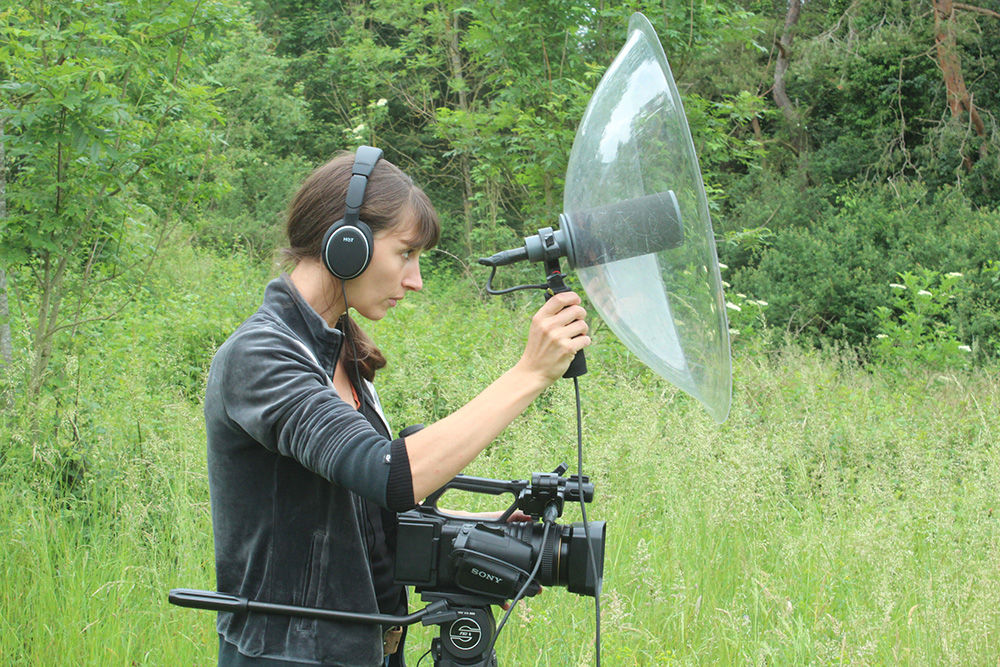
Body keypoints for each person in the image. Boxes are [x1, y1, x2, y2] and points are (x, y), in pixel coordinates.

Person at [204, 146, 590, 666]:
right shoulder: (261, 356)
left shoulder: (340, 351)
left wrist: (489, 526)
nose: (416, 279)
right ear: (348, 245)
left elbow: (371, 509)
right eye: (405, 253)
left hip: (368, 650)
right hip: (289, 656)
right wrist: (530, 373)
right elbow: (391, 476)